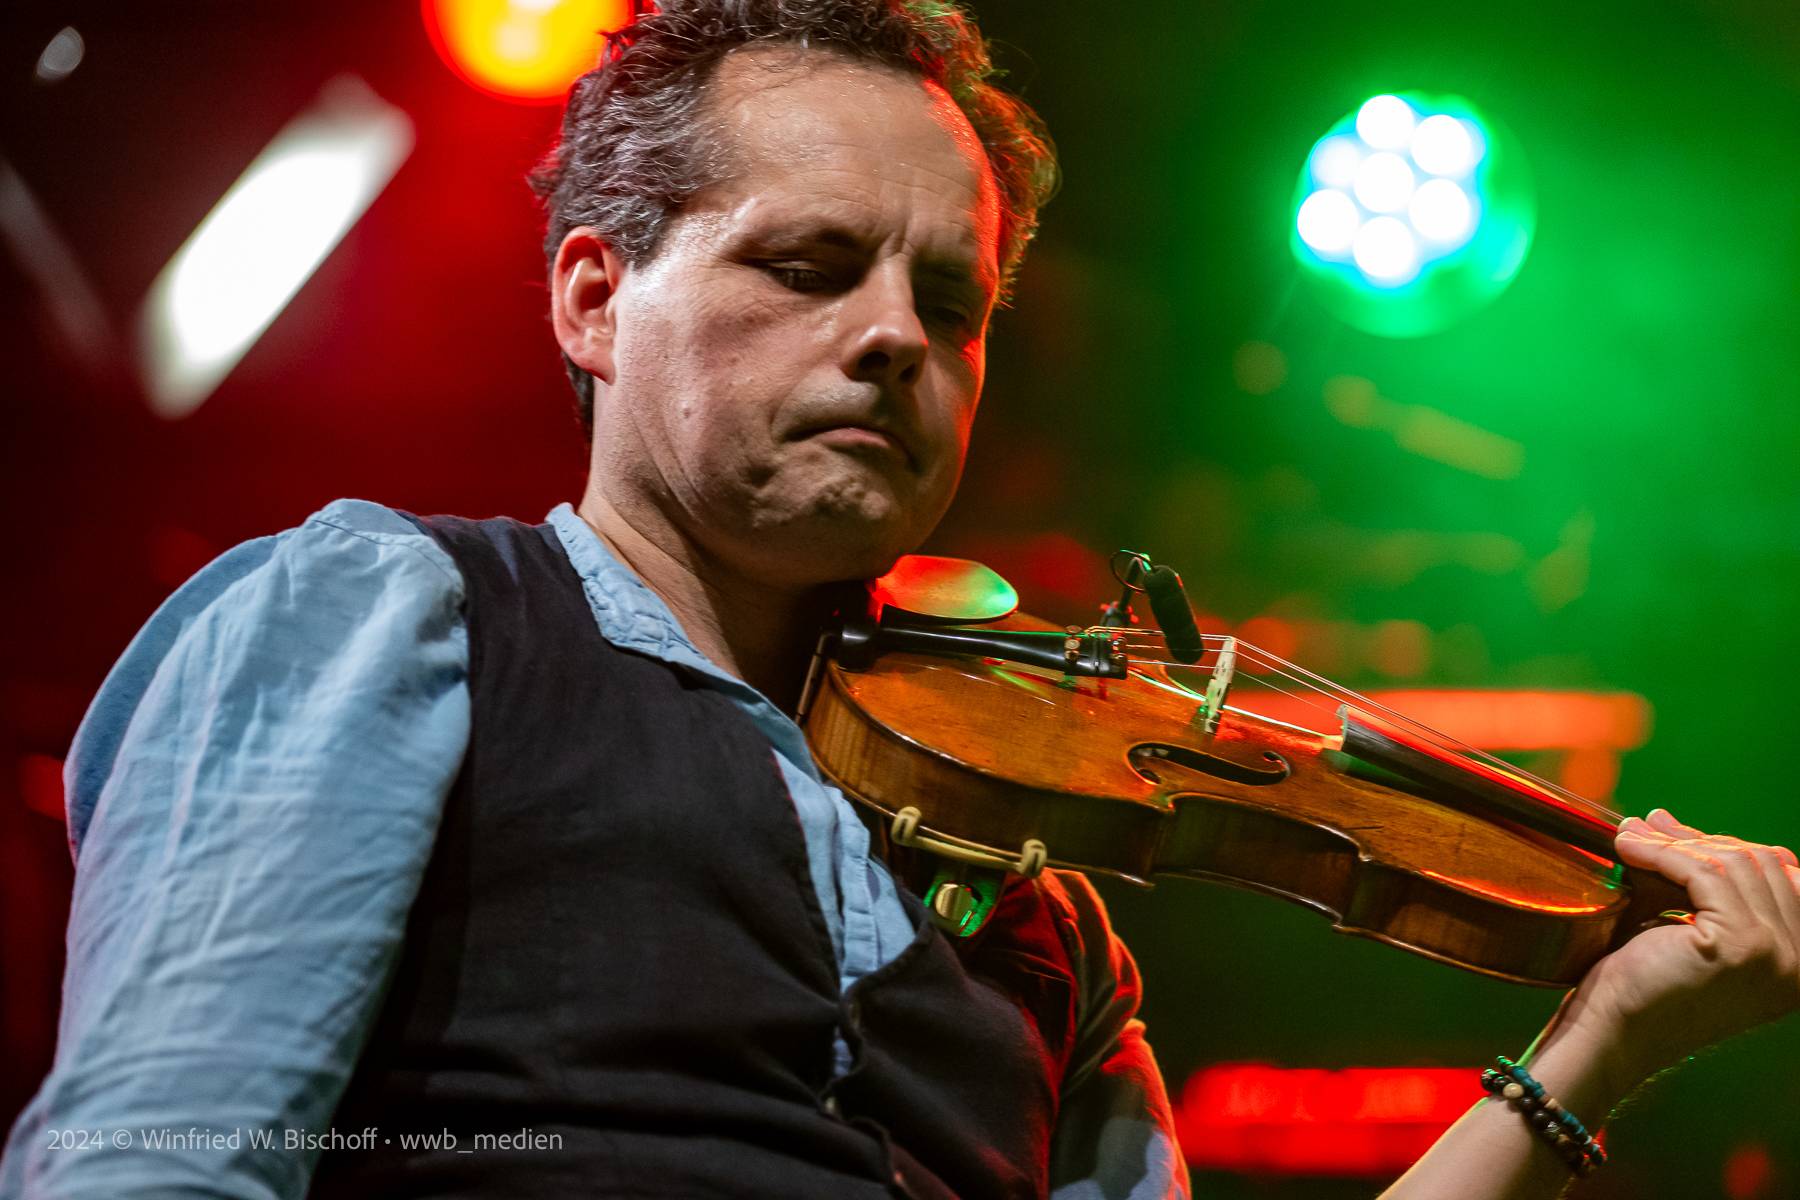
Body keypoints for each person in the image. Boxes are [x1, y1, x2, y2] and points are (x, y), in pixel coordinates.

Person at [3, 2, 1798, 1198]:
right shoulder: (397, 610)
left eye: (952, 305)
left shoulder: (1047, 915)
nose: (892, 339)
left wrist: (1598, 1043)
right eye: (808, 264)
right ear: (592, 300)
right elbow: (156, 1164)